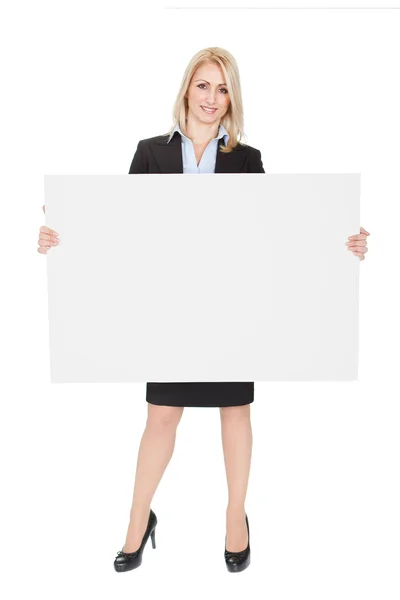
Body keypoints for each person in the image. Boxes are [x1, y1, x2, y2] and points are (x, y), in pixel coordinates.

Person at [37, 47, 370, 573]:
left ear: (231, 97)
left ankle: (236, 517)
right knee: (161, 417)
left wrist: (341, 241)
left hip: (231, 311)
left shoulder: (246, 158)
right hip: (169, 311)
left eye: (223, 88)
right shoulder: (150, 153)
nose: (212, 98)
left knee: (235, 411)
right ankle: (137, 519)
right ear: (186, 89)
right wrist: (63, 235)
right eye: (203, 85)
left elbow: (281, 231)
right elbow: (116, 227)